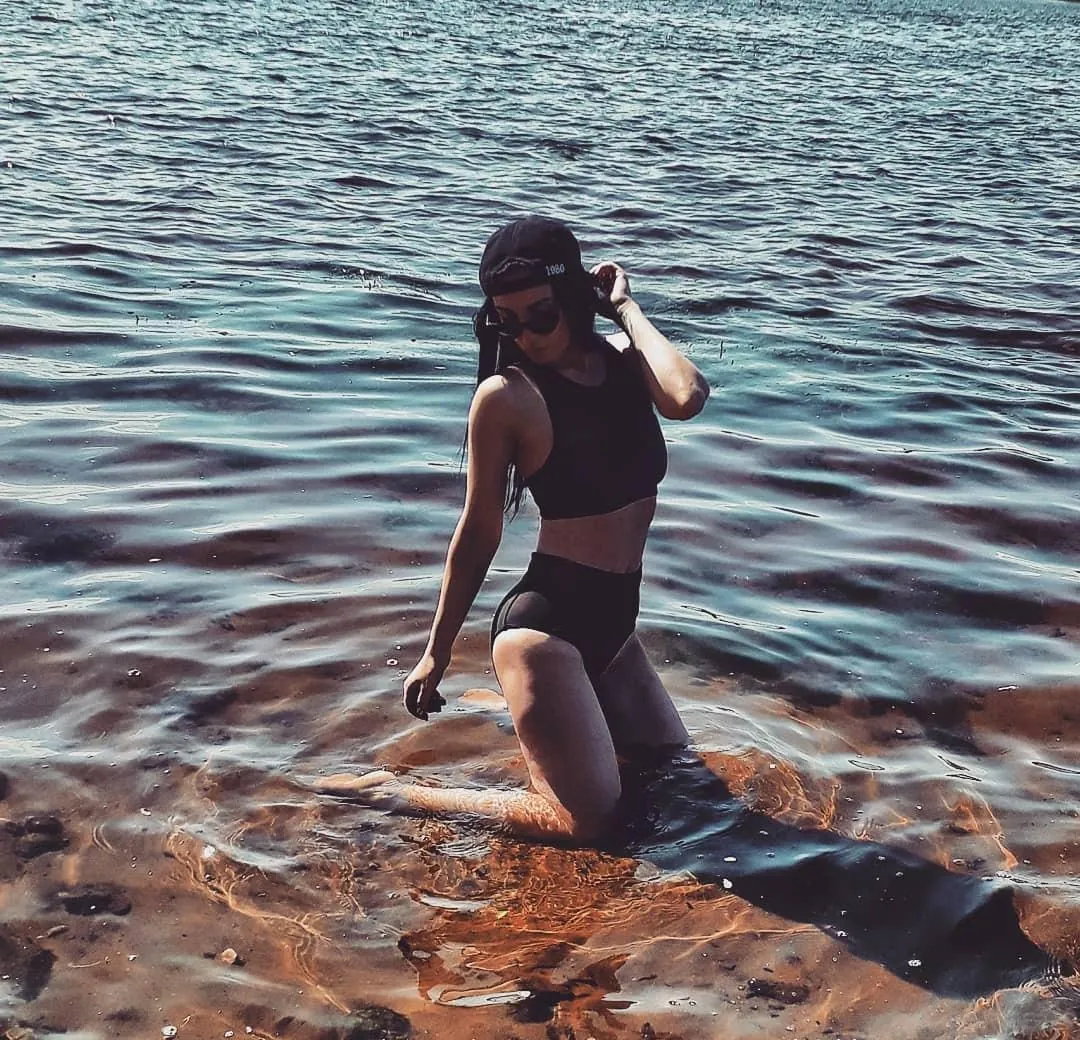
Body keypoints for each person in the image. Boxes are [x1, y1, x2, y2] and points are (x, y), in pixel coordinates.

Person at [320, 216, 710, 842]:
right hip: (546, 630)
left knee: (678, 774)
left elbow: (686, 396)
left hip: (615, 625)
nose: (526, 335)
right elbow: (478, 531)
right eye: (507, 321)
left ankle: (518, 714)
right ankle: (390, 792)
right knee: (587, 824)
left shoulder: (623, 361)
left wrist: (626, 309)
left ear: (575, 301)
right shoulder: (507, 398)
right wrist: (436, 652)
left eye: (542, 316)